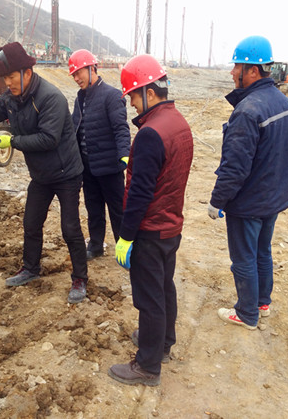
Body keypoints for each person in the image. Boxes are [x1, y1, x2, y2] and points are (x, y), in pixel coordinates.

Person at [0, 42, 88, 304]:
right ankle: (30, 268)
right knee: (31, 223)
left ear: (27, 72)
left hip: (66, 173)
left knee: (70, 228)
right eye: (4, 78)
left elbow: (49, 139)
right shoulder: (12, 97)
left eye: (11, 77)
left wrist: (11, 141)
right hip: (41, 175)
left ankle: (80, 278)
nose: (8, 83)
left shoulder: (50, 97)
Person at [108, 55, 193, 386]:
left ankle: (147, 366)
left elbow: (140, 192)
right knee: (164, 287)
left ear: (149, 92)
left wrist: (126, 236)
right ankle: (163, 342)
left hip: (151, 229)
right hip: (171, 226)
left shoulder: (150, 134)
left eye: (132, 95)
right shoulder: (178, 122)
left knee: (149, 298)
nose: (131, 103)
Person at [208, 35, 288, 330]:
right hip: (272, 198)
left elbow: (235, 167)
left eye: (237, 67)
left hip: (249, 203)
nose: (232, 72)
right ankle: (262, 303)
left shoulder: (247, 111)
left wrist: (217, 201)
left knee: (244, 257)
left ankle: (247, 313)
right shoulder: (284, 102)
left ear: (253, 71)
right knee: (262, 251)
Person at [68, 49, 131, 260]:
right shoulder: (80, 98)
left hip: (110, 167)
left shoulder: (111, 96)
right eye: (73, 75)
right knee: (93, 208)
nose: (76, 78)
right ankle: (96, 245)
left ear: (91, 68)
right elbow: (75, 128)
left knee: (117, 210)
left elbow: (121, 128)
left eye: (78, 73)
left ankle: (124, 248)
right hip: (88, 167)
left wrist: (125, 154)